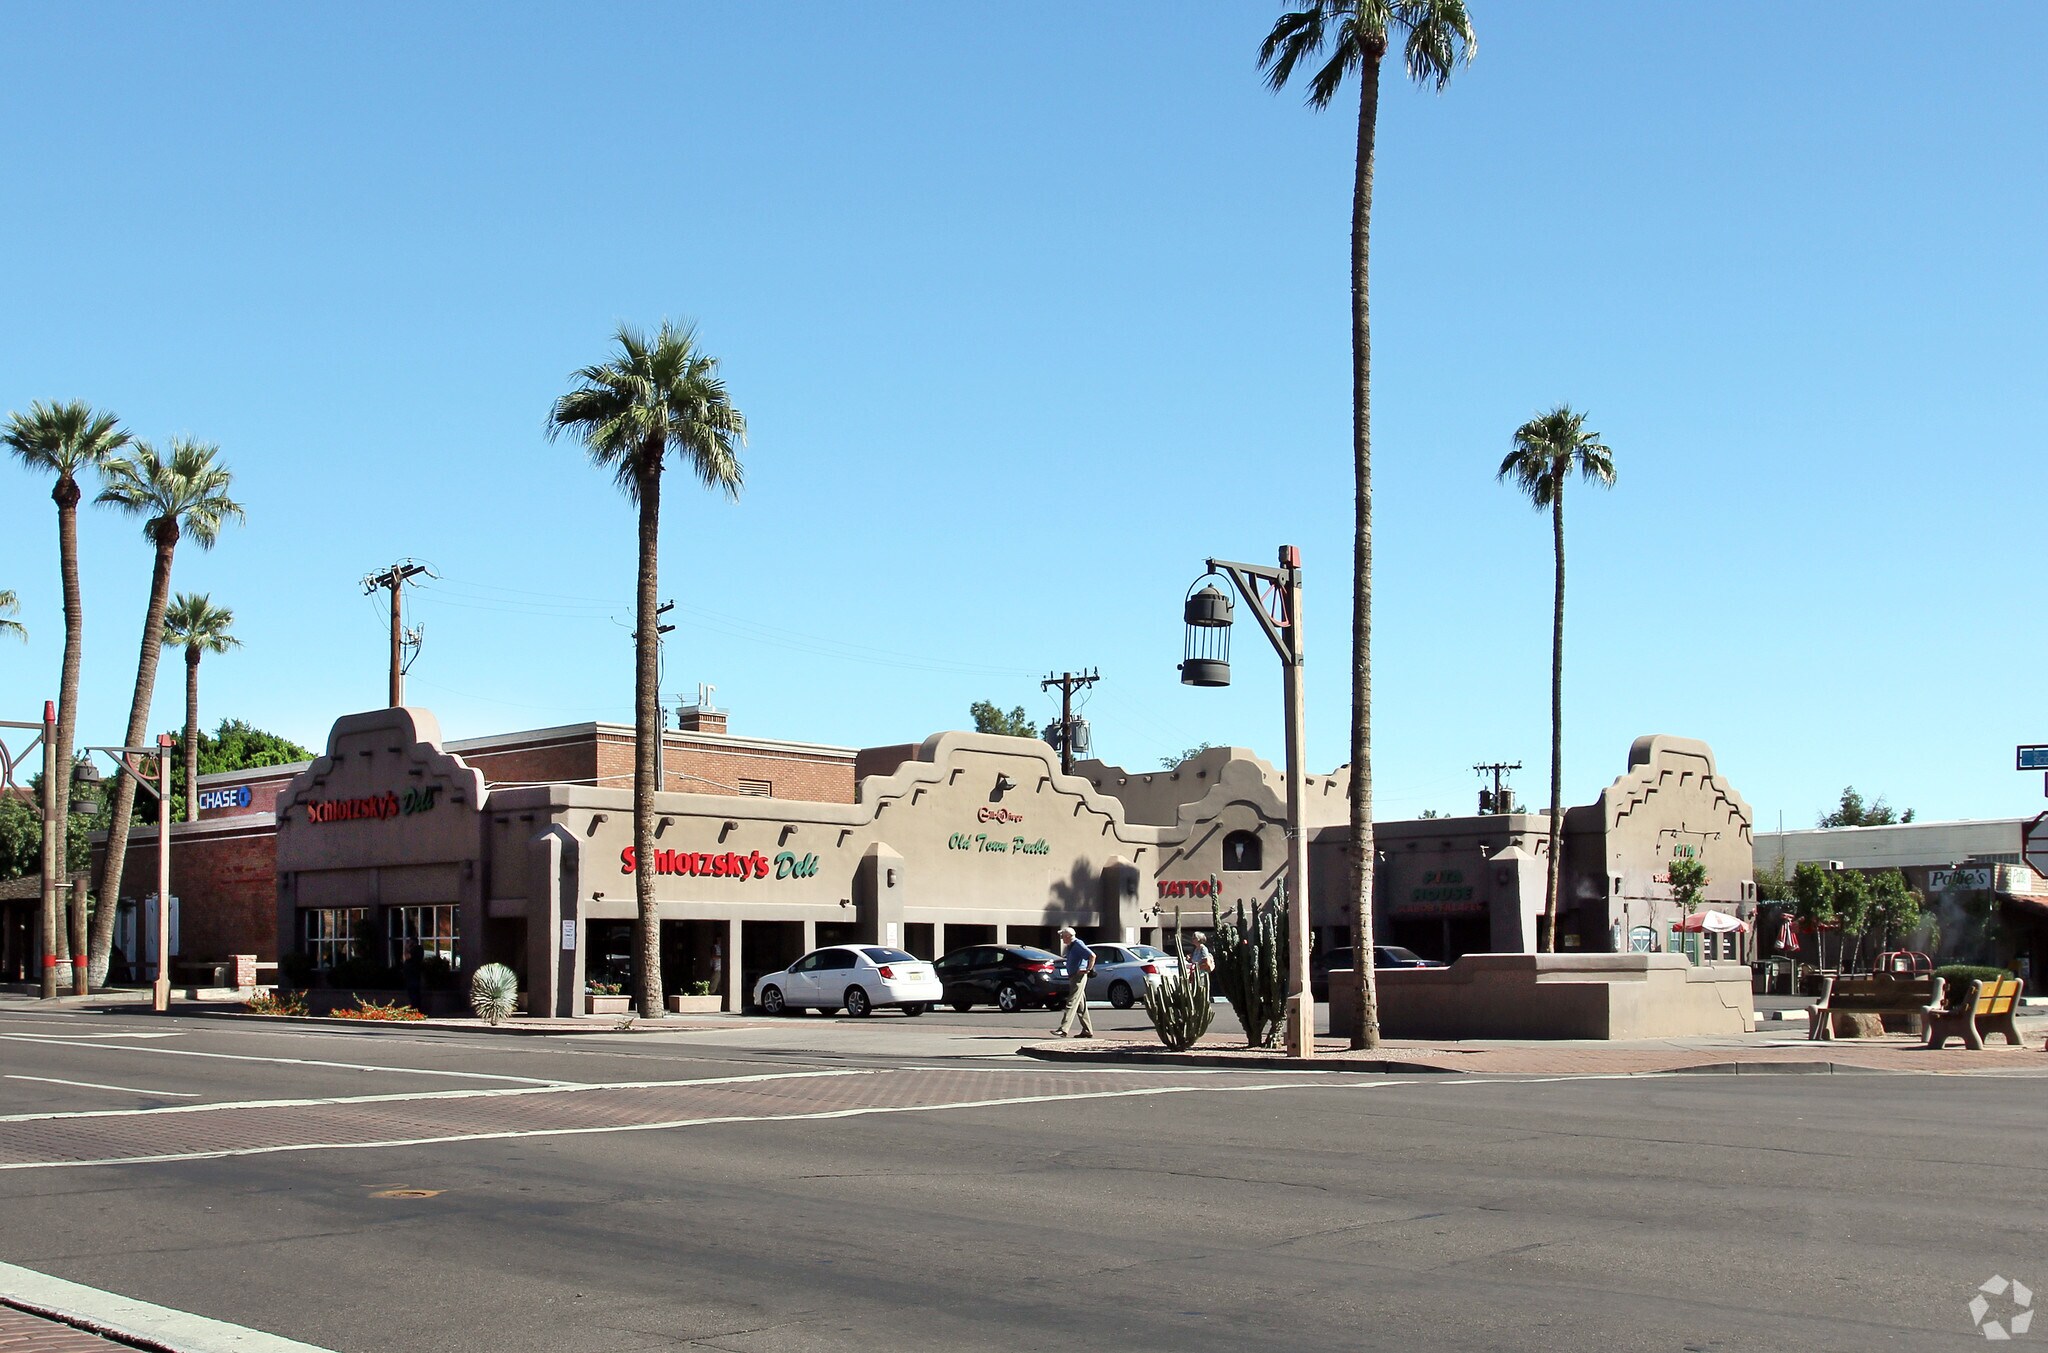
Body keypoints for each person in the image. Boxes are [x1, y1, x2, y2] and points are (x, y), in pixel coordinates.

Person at [1052, 925, 1095, 1038]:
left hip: (1078, 977)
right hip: (1073, 977)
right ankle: (1087, 1030)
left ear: (1068, 936)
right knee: (1081, 1005)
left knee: (1071, 1002)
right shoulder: (1071, 946)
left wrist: (1088, 969)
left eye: (1063, 936)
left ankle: (1063, 1029)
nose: (1061, 938)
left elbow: (1092, 955)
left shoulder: (1078, 944)